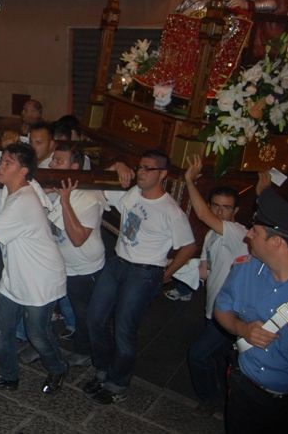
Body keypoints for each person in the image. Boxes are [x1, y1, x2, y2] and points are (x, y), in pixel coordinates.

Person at [85, 150, 197, 404]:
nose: (141, 173)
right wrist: (118, 161)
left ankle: (117, 383)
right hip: (118, 263)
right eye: (140, 167)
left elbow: (189, 246)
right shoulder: (133, 193)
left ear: (163, 174)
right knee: (94, 317)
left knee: (124, 329)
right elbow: (103, 176)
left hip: (144, 272)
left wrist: (166, 274)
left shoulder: (171, 210)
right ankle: (103, 369)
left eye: (148, 168)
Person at [0, 143, 68, 394]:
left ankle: (58, 368)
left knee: (37, 333)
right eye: (2, 160)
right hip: (15, 274)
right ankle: (8, 376)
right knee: (2, 327)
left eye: (8, 163)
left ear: (24, 170)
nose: (1, 166)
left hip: (40, 278)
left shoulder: (24, 200)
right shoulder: (11, 192)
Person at [214, 186, 288, 433]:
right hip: (245, 388)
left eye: (256, 231)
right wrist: (242, 328)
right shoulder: (244, 270)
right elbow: (222, 309)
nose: (248, 235)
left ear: (277, 242)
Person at [183, 155, 248, 416]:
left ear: (236, 212)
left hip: (230, 314)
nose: (220, 212)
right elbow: (207, 266)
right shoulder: (212, 235)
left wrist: (189, 180)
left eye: (226, 208)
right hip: (213, 309)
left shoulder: (238, 233)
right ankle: (228, 399)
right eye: (216, 206)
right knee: (221, 359)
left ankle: (209, 400)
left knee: (198, 356)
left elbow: (201, 214)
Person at [48, 144, 107, 367]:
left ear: (74, 167)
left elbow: (78, 238)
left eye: (58, 161)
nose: (52, 164)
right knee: (61, 307)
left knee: (85, 314)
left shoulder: (89, 196)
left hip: (85, 269)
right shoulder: (53, 187)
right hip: (61, 264)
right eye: (53, 159)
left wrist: (64, 200)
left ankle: (86, 351)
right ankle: (48, 345)